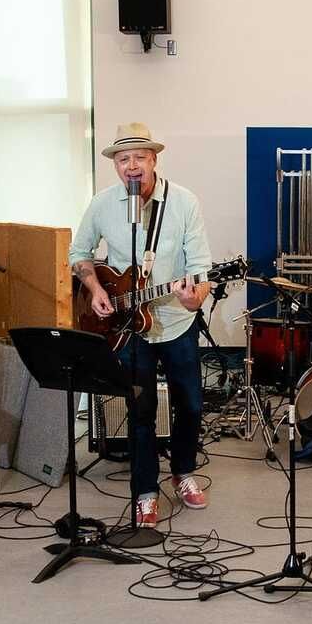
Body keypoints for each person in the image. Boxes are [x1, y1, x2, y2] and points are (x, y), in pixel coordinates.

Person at [70, 122, 212, 528]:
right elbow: (79, 254)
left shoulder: (183, 202)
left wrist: (196, 296)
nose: (131, 166)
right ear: (116, 165)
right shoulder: (103, 204)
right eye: (123, 159)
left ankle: (183, 472)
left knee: (191, 404)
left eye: (139, 158)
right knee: (140, 410)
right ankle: (145, 492)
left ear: (154, 160)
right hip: (128, 326)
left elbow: (200, 267)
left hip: (177, 320)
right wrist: (96, 288)